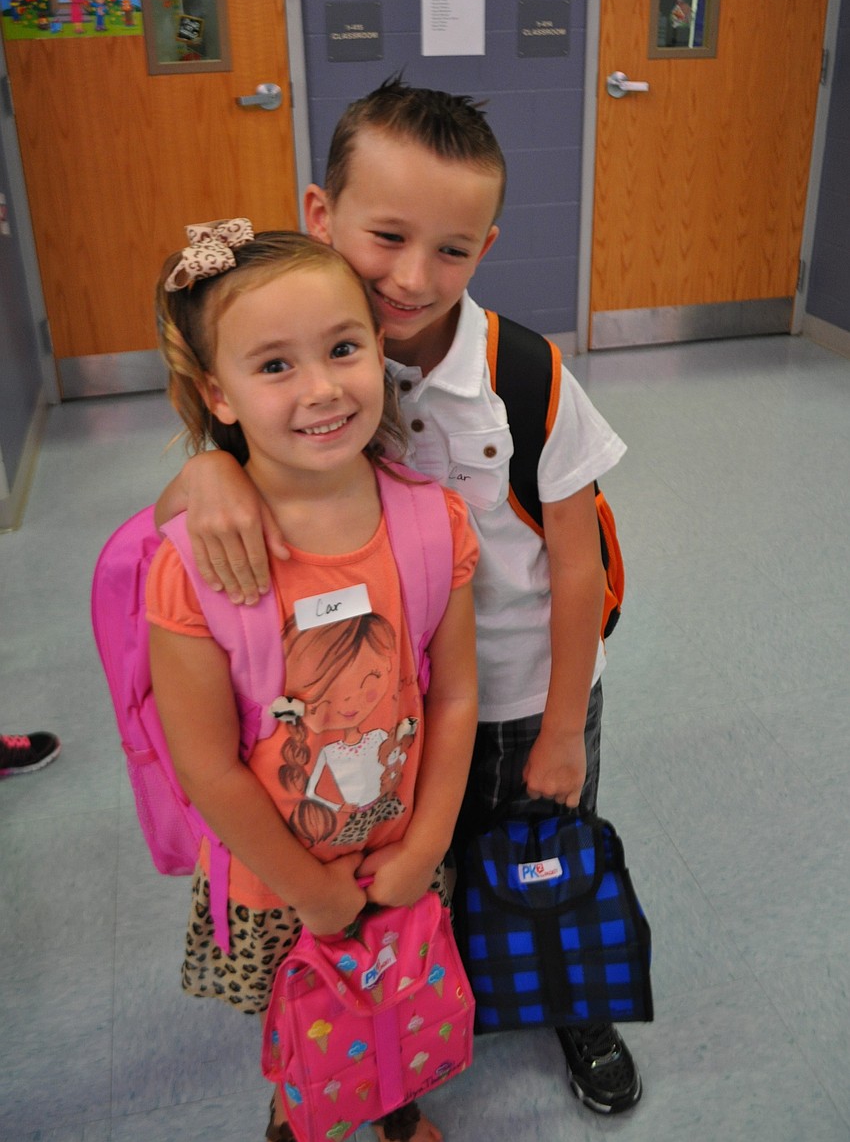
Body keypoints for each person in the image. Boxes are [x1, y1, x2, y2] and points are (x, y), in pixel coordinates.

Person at [154, 80, 640, 1115]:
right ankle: (431, 1005)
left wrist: (562, 726)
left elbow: (574, 563)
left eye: (452, 250)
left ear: (487, 246)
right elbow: (215, 452)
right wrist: (207, 468)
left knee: (545, 858)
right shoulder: (318, 362)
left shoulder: (524, 374)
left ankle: (573, 1003)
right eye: (385, 236)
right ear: (322, 216)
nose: (412, 278)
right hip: (392, 714)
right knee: (429, 869)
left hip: (522, 687)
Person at [147, 222, 479, 1142]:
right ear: (218, 391)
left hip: (404, 849)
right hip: (276, 884)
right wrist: (309, 890)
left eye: (342, 348)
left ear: (380, 349)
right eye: (275, 365)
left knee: (397, 993)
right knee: (309, 1025)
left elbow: (453, 696)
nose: (324, 388)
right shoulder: (191, 568)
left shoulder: (432, 523)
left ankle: (397, 1100)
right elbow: (208, 767)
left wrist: (425, 848)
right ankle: (300, 1117)